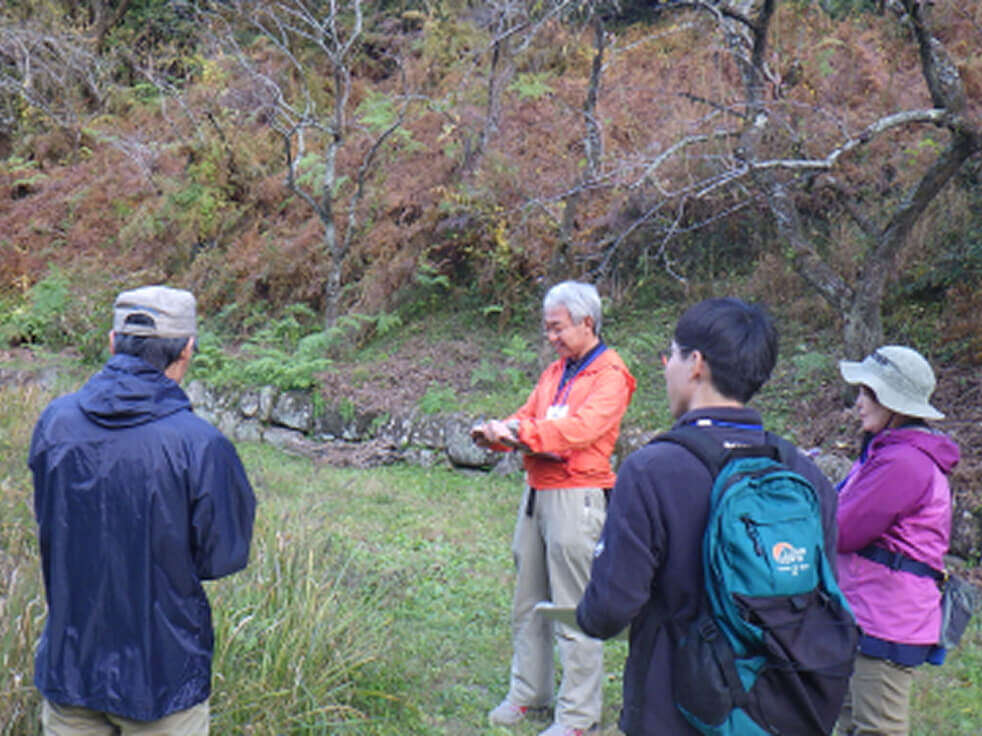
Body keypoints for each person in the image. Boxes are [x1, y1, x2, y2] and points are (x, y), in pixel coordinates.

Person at [575, 297, 839, 736]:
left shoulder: (652, 469)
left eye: (671, 355)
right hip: (777, 708)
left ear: (695, 363)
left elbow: (608, 610)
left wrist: (583, 614)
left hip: (674, 708)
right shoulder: (803, 473)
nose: (666, 368)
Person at [29, 285, 257, 735]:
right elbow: (222, 556)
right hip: (163, 680)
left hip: (69, 667)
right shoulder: (201, 444)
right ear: (187, 349)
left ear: (113, 342)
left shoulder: (55, 422)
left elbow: (50, 521)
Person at [471, 281, 636, 736]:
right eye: (547, 329)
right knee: (528, 601)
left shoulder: (610, 375)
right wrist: (498, 432)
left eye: (558, 328)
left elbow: (580, 431)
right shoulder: (555, 372)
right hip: (536, 493)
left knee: (573, 607)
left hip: (577, 497)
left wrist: (522, 434)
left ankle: (578, 716)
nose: (552, 338)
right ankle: (529, 695)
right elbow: (529, 415)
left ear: (587, 322)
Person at [835, 346, 959, 736]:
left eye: (867, 393)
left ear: (893, 402)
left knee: (877, 729)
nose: (858, 403)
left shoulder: (904, 462)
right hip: (868, 612)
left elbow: (843, 529)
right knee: (849, 721)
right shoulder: (893, 452)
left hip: (884, 619)